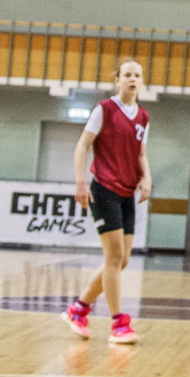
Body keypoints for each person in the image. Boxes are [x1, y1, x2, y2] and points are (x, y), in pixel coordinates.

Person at [64, 59, 152, 345]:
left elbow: (140, 154)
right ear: (118, 80)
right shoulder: (104, 109)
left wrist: (146, 177)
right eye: (127, 74)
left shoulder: (143, 117)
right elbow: (82, 144)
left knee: (122, 260)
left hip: (127, 193)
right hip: (104, 190)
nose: (132, 79)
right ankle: (118, 324)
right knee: (113, 258)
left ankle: (78, 309)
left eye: (137, 75)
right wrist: (80, 182)